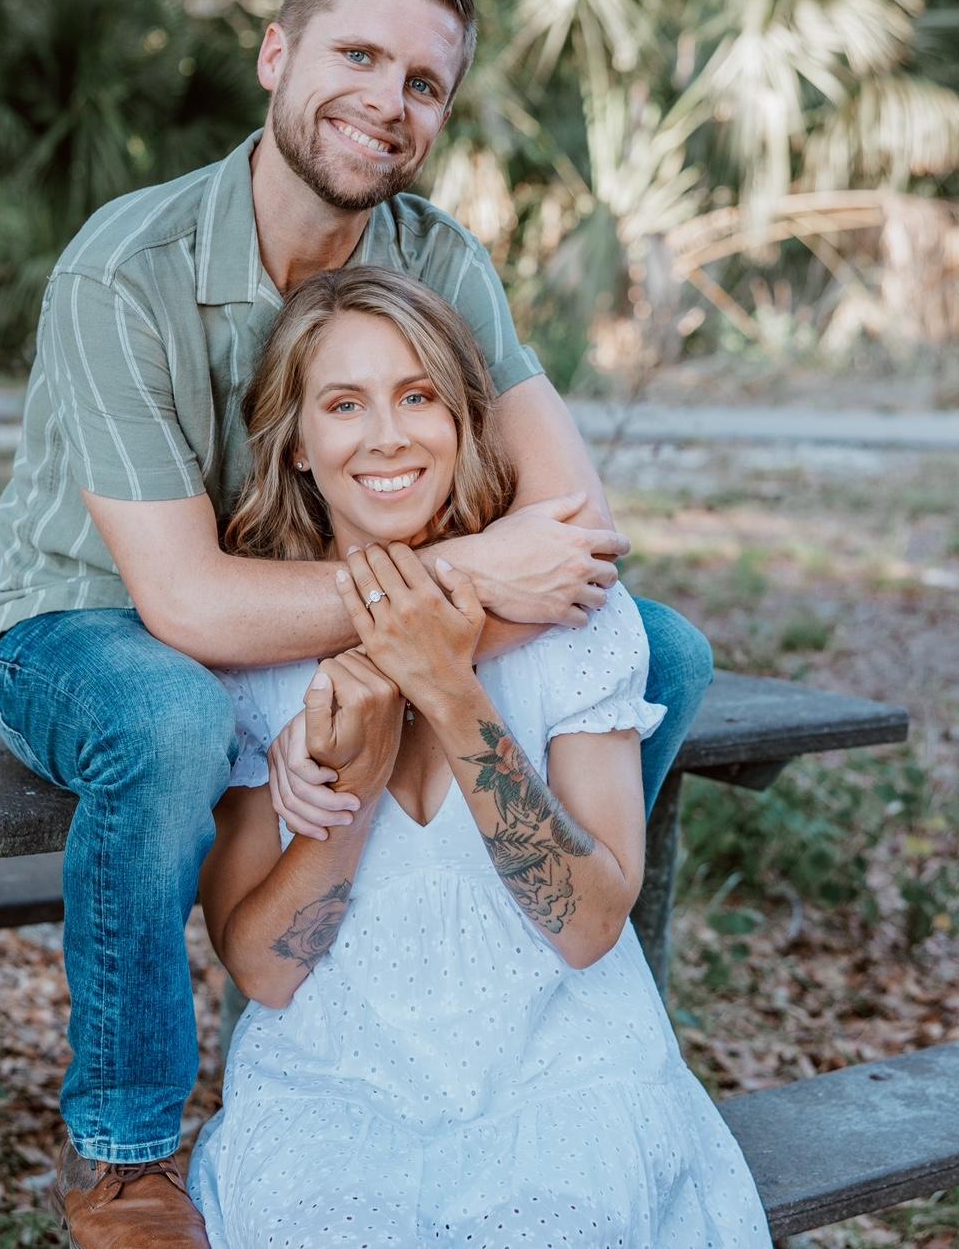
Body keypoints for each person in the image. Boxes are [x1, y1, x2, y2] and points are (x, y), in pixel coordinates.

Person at [0, 0, 713, 1247]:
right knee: (168, 719)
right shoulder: (120, 266)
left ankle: (551, 981)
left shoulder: (433, 251)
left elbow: (578, 521)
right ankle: (124, 1149)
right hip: (93, 615)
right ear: (275, 55)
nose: (388, 97)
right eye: (356, 54)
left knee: (662, 649)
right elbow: (190, 606)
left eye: (423, 82)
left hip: (313, 593)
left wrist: (416, 635)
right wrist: (458, 588)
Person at [187, 265, 767, 1246]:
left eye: (418, 395)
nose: (386, 435)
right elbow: (264, 973)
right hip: (331, 1085)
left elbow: (586, 927)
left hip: (560, 1072)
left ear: (462, 419)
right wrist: (354, 786)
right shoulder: (249, 662)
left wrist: (452, 694)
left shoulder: (575, 624)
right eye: (342, 403)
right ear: (293, 443)